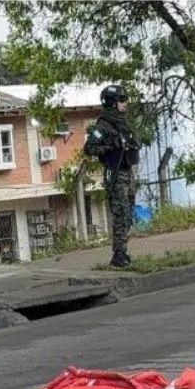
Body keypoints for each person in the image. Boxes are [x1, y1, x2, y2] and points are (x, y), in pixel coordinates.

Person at [86, 84, 142, 268]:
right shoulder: (102, 125)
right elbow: (90, 148)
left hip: (128, 171)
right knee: (120, 213)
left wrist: (132, 142)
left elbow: (132, 142)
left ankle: (121, 250)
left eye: (125, 100)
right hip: (115, 172)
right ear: (112, 102)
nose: (125, 103)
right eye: (121, 100)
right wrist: (112, 146)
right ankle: (119, 255)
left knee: (128, 214)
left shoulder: (122, 123)